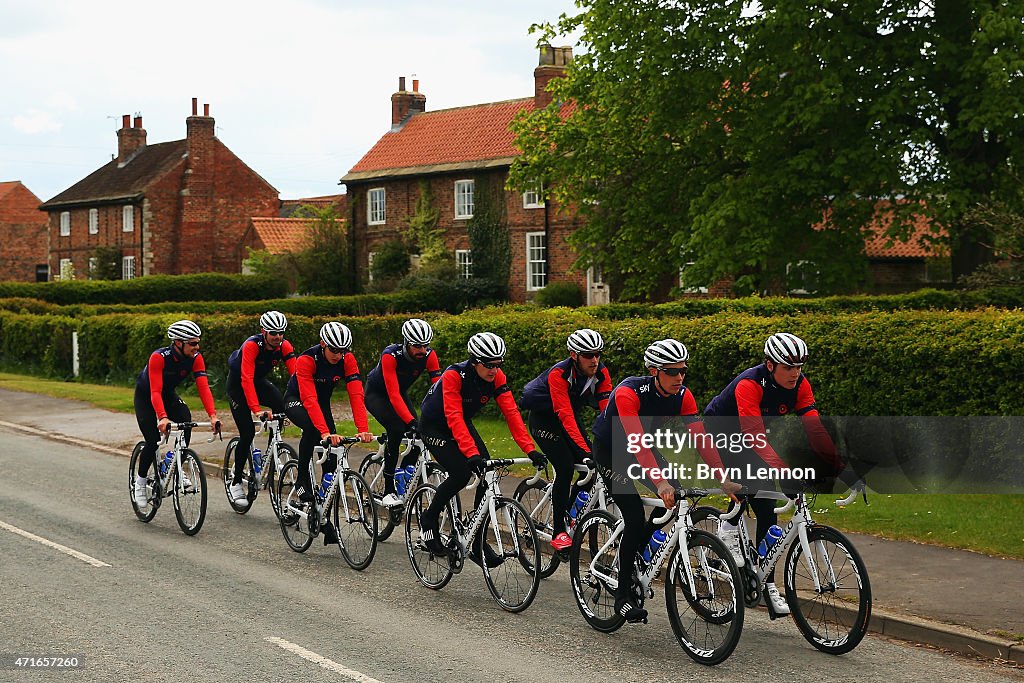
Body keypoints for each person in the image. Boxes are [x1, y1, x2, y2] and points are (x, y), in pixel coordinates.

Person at [703, 332, 853, 615]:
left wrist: (840, 468)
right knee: (752, 478)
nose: (795, 373)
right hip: (722, 432)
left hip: (753, 435)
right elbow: (752, 436)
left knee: (768, 512)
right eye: (788, 367)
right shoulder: (749, 384)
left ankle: (767, 583)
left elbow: (814, 428)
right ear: (770, 365)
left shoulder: (800, 385)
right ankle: (728, 526)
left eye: (799, 367)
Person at [591, 339, 735, 624]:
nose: (679, 377)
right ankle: (622, 595)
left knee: (675, 496)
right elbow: (637, 442)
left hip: (643, 448)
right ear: (654, 371)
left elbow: (701, 438)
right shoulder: (629, 392)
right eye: (672, 371)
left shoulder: (683, 395)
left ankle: (637, 551)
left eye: (683, 371)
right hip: (612, 450)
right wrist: (660, 483)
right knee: (633, 515)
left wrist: (724, 478)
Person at [417, 332, 546, 564]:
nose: (494, 370)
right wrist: (472, 454)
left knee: (488, 472)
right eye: (488, 365)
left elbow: (512, 414)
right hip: (434, 425)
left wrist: (530, 450)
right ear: (475, 361)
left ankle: (476, 538)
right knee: (461, 473)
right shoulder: (454, 375)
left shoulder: (496, 377)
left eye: (498, 364)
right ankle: (429, 518)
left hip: (460, 422)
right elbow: (453, 416)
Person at [519, 328, 613, 553]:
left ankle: (571, 514)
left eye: (598, 354)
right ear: (574, 355)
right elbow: (564, 415)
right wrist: (586, 451)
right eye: (588, 355)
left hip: (568, 416)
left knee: (594, 467)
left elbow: (607, 411)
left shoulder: (601, 372)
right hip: (545, 420)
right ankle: (559, 530)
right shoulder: (558, 374)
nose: (595, 360)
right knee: (565, 466)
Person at [283, 321, 374, 544]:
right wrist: (324, 432)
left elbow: (355, 395)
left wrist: (363, 430)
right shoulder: (307, 360)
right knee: (314, 430)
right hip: (298, 400)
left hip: (321, 403)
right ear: (323, 344)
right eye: (334, 350)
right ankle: (302, 480)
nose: (338, 355)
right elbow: (309, 399)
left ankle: (321, 514)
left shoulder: (347, 360)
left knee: (332, 464)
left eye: (343, 351)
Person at [133, 320, 221, 507]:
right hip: (146, 396)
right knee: (153, 441)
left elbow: (204, 388)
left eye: (198, 342)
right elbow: (155, 391)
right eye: (192, 343)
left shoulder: (196, 358)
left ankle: (175, 465)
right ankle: (140, 483)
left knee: (186, 420)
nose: (197, 347)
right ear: (178, 343)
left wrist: (213, 415)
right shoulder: (159, 357)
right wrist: (162, 417)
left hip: (168, 395)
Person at [364, 318, 442, 507]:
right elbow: (393, 395)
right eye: (417, 346)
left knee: (421, 433)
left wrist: (442, 416)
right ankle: (388, 488)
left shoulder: (429, 355)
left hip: (400, 394)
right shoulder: (390, 355)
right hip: (378, 394)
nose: (422, 351)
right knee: (397, 428)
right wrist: (410, 422)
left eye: (425, 346)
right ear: (406, 343)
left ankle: (404, 471)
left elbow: (440, 389)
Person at [225, 310, 297, 504]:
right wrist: (255, 409)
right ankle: (236, 481)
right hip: (238, 386)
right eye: (273, 333)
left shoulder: (284, 346)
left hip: (258, 382)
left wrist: (302, 402)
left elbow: (297, 377)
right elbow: (246, 379)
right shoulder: (252, 345)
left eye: (281, 333)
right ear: (263, 332)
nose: (278, 337)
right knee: (247, 433)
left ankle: (270, 453)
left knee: (282, 406)